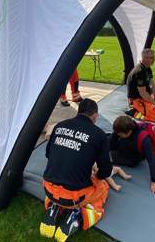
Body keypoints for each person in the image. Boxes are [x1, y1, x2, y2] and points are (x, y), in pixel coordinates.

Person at [40, 98, 112, 242]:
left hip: (48, 187)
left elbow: (48, 154)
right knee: (103, 187)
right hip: (74, 197)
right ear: (95, 116)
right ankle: (78, 217)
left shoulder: (60, 126)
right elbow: (105, 171)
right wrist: (95, 173)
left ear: (78, 112)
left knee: (64, 186)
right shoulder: (99, 135)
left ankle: (54, 207)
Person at [109, 115, 155, 198]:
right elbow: (111, 140)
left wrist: (154, 182)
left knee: (108, 156)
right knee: (107, 141)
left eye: (120, 134)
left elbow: (152, 161)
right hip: (125, 146)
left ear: (129, 132)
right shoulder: (122, 129)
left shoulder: (144, 140)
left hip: (132, 157)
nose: (118, 135)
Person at [126, 49, 155, 123]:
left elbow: (152, 84)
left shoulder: (148, 68)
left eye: (151, 57)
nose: (149, 60)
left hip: (146, 97)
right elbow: (143, 93)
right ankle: (134, 112)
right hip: (137, 100)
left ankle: (147, 108)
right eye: (146, 57)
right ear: (142, 57)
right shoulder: (139, 71)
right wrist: (154, 103)